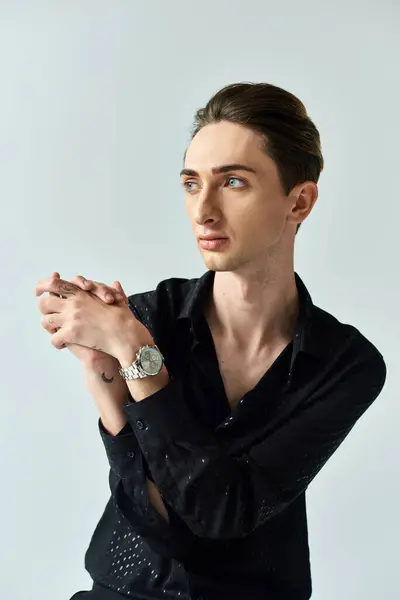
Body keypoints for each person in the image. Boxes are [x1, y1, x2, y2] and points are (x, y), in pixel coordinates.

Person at [35, 82, 387, 600]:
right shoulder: (149, 315)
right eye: (191, 183)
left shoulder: (343, 365)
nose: (203, 210)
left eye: (234, 182)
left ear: (300, 201)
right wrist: (101, 373)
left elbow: (221, 515)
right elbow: (147, 517)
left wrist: (136, 359)